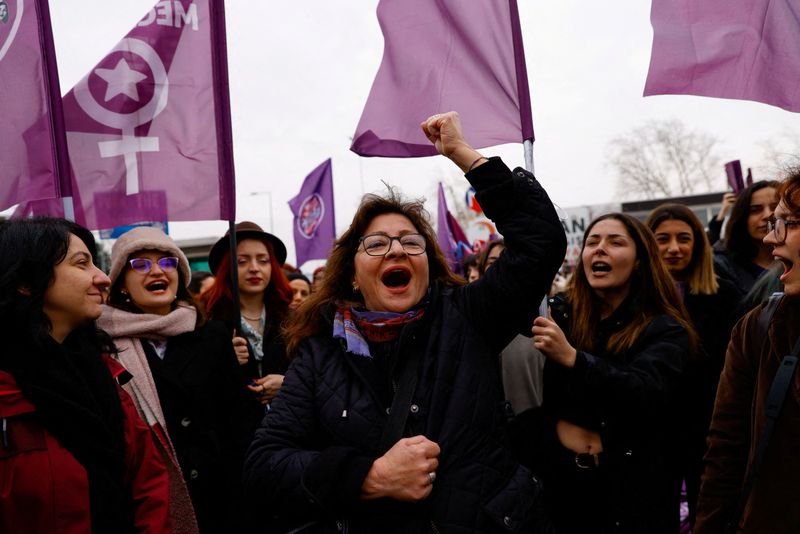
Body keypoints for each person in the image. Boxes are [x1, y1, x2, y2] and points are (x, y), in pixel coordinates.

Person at [243, 111, 566, 533]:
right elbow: (264, 465)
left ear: (428, 267)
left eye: (410, 242)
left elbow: (541, 243)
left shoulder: (469, 317)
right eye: (376, 244)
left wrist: (464, 156)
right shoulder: (319, 354)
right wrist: (367, 477)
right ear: (353, 278)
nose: (396, 251)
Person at [516, 212, 696, 534]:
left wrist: (573, 359)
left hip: (633, 490)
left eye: (615, 242)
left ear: (640, 260)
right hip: (560, 485)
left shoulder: (666, 330)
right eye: (592, 242)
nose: (599, 249)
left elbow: (646, 391)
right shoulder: (560, 314)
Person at [0, 218, 171, 533]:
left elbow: (148, 484)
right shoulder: (8, 391)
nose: (103, 278)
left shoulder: (107, 374)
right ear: (26, 281)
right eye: (81, 264)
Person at [99, 227, 251, 533]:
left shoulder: (212, 336)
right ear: (122, 284)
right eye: (140, 264)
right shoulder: (102, 345)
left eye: (167, 263)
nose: (157, 271)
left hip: (220, 499)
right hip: (147, 502)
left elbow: (241, 423)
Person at [695, 168, 800, 534]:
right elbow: (726, 447)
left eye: (787, 222)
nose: (772, 236)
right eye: (770, 220)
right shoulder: (759, 326)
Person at [645, 203, 740, 527]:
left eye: (683, 238)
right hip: (651, 433)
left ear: (697, 243)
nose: (673, 248)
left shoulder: (725, 295)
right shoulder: (631, 300)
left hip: (707, 430)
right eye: (662, 239)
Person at [205, 222, 293, 427]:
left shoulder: (296, 321)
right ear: (226, 268)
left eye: (263, 260)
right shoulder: (207, 323)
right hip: (235, 438)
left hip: (291, 434)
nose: (254, 268)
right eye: (242, 261)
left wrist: (287, 384)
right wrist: (224, 360)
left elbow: (318, 377)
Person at [713, 181, 779, 297]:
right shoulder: (721, 268)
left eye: (776, 207)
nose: (768, 215)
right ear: (741, 217)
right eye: (755, 210)